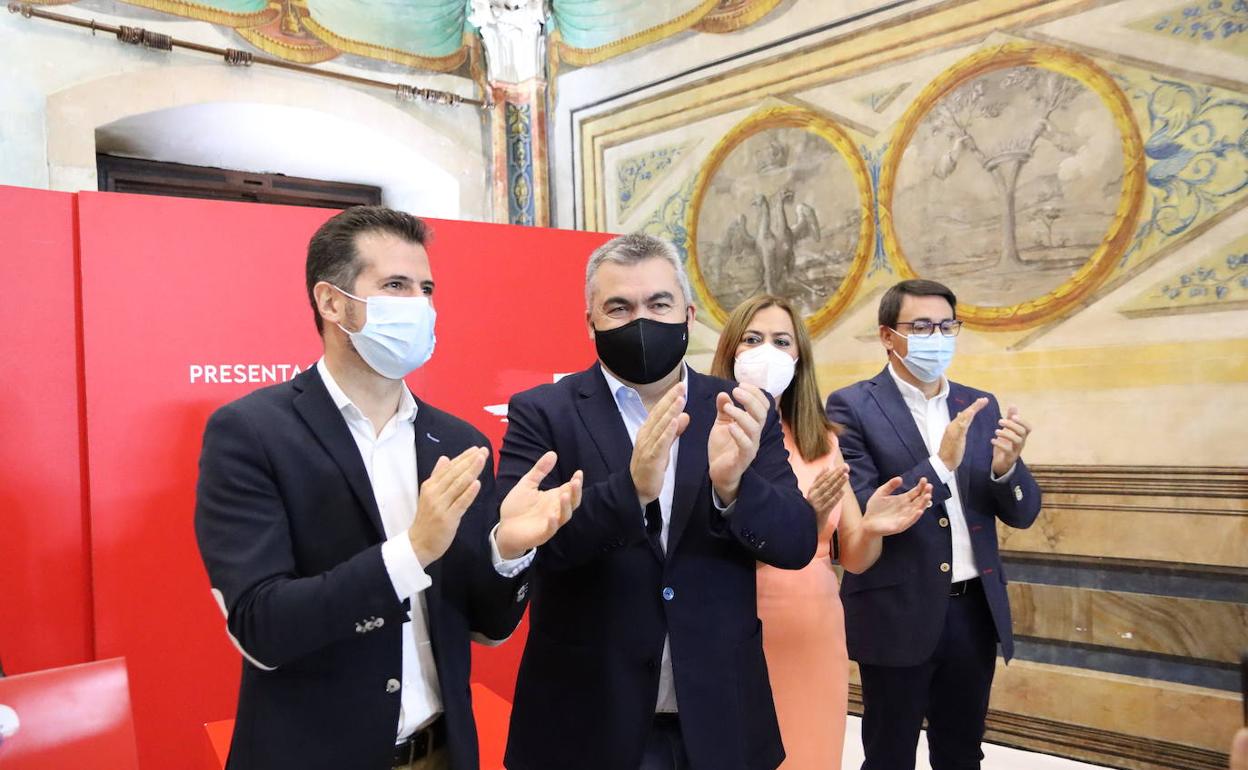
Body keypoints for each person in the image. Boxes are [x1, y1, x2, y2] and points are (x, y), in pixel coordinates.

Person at [194, 206, 582, 770]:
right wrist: (412, 551)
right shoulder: (252, 433)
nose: (419, 305)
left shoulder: (459, 441)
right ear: (332, 302)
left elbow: (487, 627)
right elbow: (262, 627)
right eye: (396, 285)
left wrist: (508, 551)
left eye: (426, 289)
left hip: (441, 752)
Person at [497, 234, 818, 770]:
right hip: (585, 723)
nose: (640, 321)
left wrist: (734, 488)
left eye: (658, 304)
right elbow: (528, 545)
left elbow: (796, 542)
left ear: (687, 314)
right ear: (591, 322)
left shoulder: (739, 408)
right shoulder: (543, 412)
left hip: (720, 719)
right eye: (619, 308)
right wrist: (631, 491)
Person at [709, 294, 932, 770]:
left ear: (799, 358)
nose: (767, 351)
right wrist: (797, 522)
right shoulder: (706, 433)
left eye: (781, 341)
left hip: (814, 628)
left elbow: (854, 556)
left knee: (810, 752)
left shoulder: (821, 438)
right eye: (753, 339)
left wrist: (873, 527)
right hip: (731, 621)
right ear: (730, 351)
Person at [826, 279, 1041, 770]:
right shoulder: (851, 406)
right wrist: (941, 464)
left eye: (947, 326)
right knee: (890, 754)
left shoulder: (977, 404)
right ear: (888, 336)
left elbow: (1023, 514)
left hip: (973, 610)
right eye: (921, 327)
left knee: (962, 753)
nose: (937, 337)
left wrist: (1007, 469)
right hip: (896, 607)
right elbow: (869, 508)